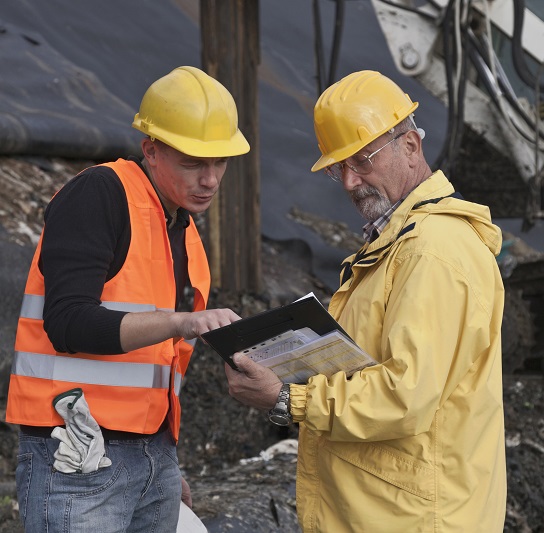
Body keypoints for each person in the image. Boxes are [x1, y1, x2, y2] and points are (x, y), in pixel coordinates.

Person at [225, 70, 507, 531]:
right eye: (340, 168)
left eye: (363, 160)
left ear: (411, 146)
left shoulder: (432, 252)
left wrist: (288, 399)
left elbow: (405, 395)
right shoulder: (399, 245)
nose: (351, 182)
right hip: (389, 511)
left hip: (415, 518)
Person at [7, 65, 248, 533]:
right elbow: (68, 321)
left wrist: (159, 459)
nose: (211, 179)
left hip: (147, 457)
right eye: (194, 162)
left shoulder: (179, 227)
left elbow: (160, 369)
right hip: (76, 456)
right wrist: (179, 321)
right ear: (151, 150)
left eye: (220, 162)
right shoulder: (100, 194)